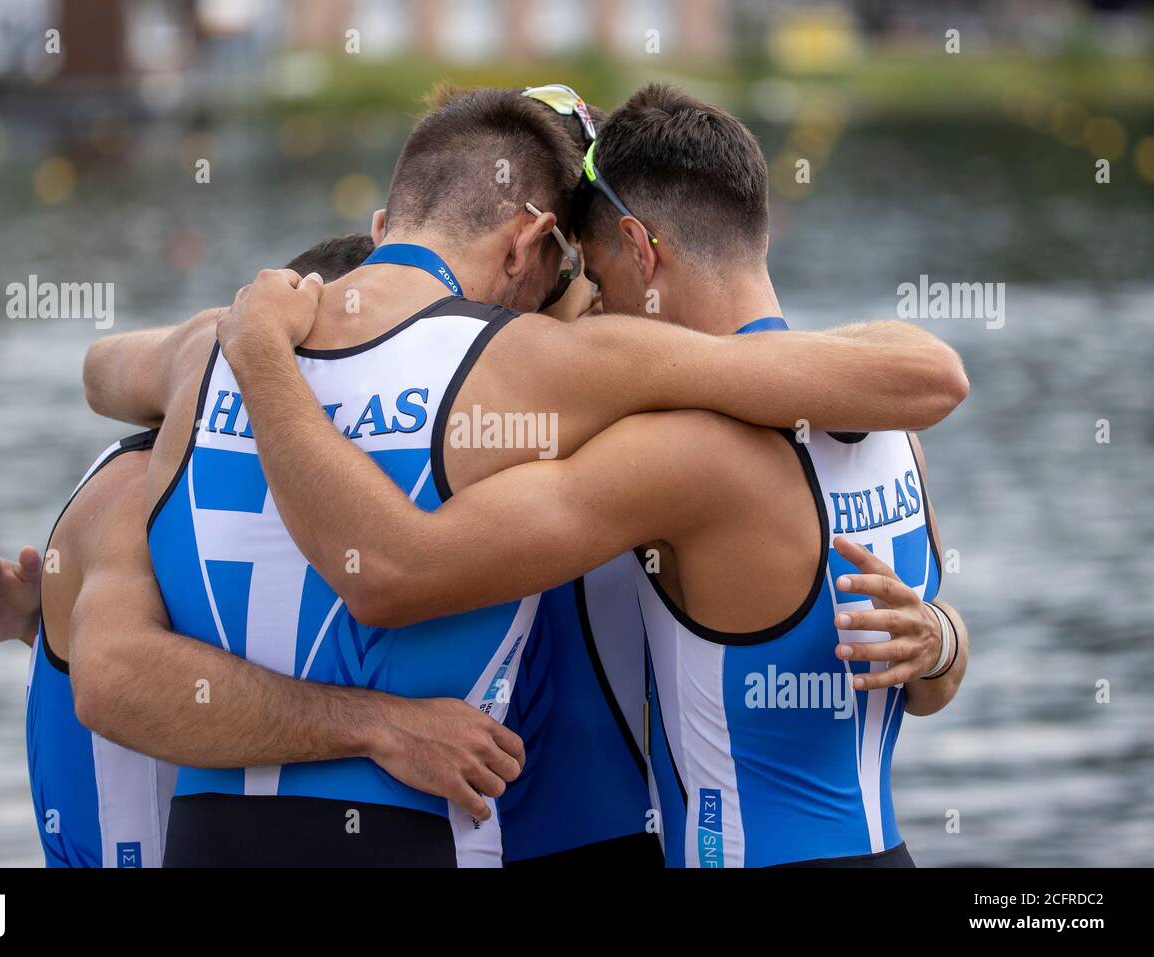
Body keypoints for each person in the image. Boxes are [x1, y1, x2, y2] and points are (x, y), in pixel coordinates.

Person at [80, 85, 967, 866]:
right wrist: (945, 637)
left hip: (216, 842)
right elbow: (921, 378)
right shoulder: (563, 371)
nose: (572, 293)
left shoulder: (211, 348)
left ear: (387, 224)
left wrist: (257, 346)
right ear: (531, 240)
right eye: (562, 265)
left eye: (590, 272)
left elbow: (100, 372)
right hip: (494, 833)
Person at [0, 236, 530, 867]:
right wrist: (383, 728)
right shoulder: (140, 486)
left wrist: (50, 615)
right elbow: (112, 679)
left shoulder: (292, 495)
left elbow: (102, 369)